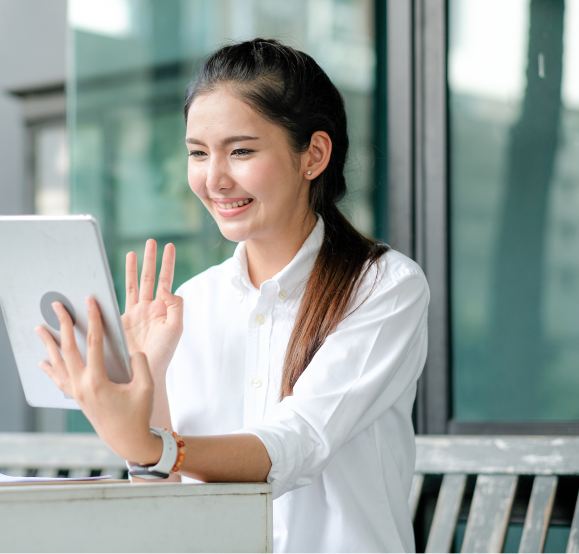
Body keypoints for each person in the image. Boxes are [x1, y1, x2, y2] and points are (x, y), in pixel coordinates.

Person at [35, 38, 429, 554]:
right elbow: (162, 510)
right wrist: (146, 390)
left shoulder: (384, 286)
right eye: (198, 153)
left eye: (241, 151)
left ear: (313, 155)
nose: (214, 179)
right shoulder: (187, 306)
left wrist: (153, 446)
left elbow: (298, 445)